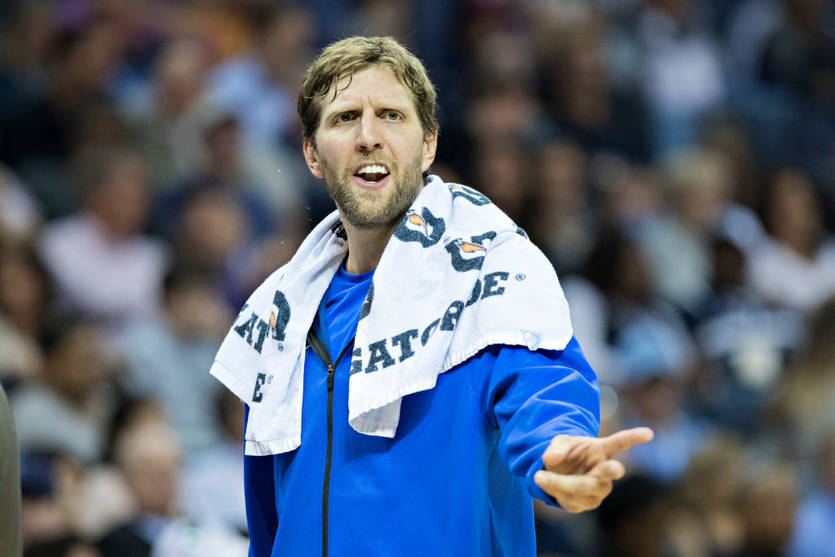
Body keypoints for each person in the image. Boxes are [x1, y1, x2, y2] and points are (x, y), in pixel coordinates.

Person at [209, 36, 653, 556]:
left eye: (392, 116)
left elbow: (542, 384)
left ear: (428, 145)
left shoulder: (489, 275)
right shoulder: (277, 318)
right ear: (312, 154)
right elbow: (270, 519)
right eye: (345, 118)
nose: (368, 137)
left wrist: (558, 448)